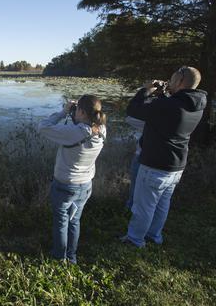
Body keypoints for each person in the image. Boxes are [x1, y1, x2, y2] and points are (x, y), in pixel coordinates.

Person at [121, 66, 207, 247]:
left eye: (173, 78)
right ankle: (154, 236)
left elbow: (133, 109)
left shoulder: (169, 106)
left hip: (155, 166)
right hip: (176, 166)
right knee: (162, 204)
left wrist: (146, 90)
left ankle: (135, 240)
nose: (170, 80)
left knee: (143, 207)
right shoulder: (196, 104)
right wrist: (164, 94)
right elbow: (165, 113)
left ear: (180, 81)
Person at [38, 95, 106, 264]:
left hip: (65, 186)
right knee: (74, 220)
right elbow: (88, 127)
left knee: (61, 221)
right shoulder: (102, 130)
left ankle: (60, 258)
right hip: (85, 185)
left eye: (78, 110)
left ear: (82, 112)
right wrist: (77, 116)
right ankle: (72, 256)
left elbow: (43, 126)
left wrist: (64, 112)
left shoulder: (74, 133)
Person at [125, 116, 144, 210]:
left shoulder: (153, 121)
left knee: (135, 184)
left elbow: (129, 118)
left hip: (142, 156)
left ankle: (131, 207)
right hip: (167, 163)